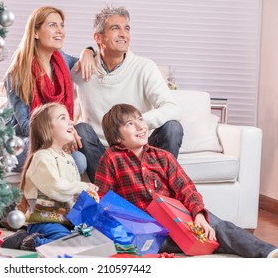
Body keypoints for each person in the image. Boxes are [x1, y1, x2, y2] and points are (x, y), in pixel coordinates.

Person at [94, 103, 278, 258]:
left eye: (140, 119)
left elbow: (186, 188)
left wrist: (198, 214)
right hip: (145, 227)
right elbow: (103, 199)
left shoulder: (163, 157)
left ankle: (268, 253)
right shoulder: (112, 158)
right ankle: (202, 243)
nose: (140, 126)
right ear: (118, 137)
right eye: (130, 123)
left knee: (218, 227)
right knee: (149, 242)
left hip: (177, 217)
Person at [71, 5, 183, 182]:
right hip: (104, 153)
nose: (123, 34)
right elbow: (58, 103)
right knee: (81, 129)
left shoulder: (144, 67)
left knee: (173, 127)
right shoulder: (82, 70)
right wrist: (86, 52)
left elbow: (173, 108)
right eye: (115, 28)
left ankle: (156, 191)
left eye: (127, 28)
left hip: (140, 149)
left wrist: (135, 124)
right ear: (98, 37)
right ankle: (115, 192)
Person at [3, 6, 95, 174]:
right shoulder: (18, 72)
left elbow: (86, 61)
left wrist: (88, 51)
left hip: (53, 137)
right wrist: (61, 134)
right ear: (36, 33)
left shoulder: (63, 60)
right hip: (20, 141)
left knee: (79, 160)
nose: (60, 31)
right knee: (76, 161)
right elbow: (26, 125)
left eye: (62, 25)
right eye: (53, 25)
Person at [1, 103, 99, 251]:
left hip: (66, 222)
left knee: (92, 242)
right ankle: (27, 241)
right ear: (47, 128)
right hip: (45, 221)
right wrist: (83, 186)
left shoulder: (68, 158)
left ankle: (55, 240)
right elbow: (56, 188)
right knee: (70, 248)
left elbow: (70, 194)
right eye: (63, 118)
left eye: (69, 118)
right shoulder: (42, 157)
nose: (70, 122)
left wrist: (87, 195)